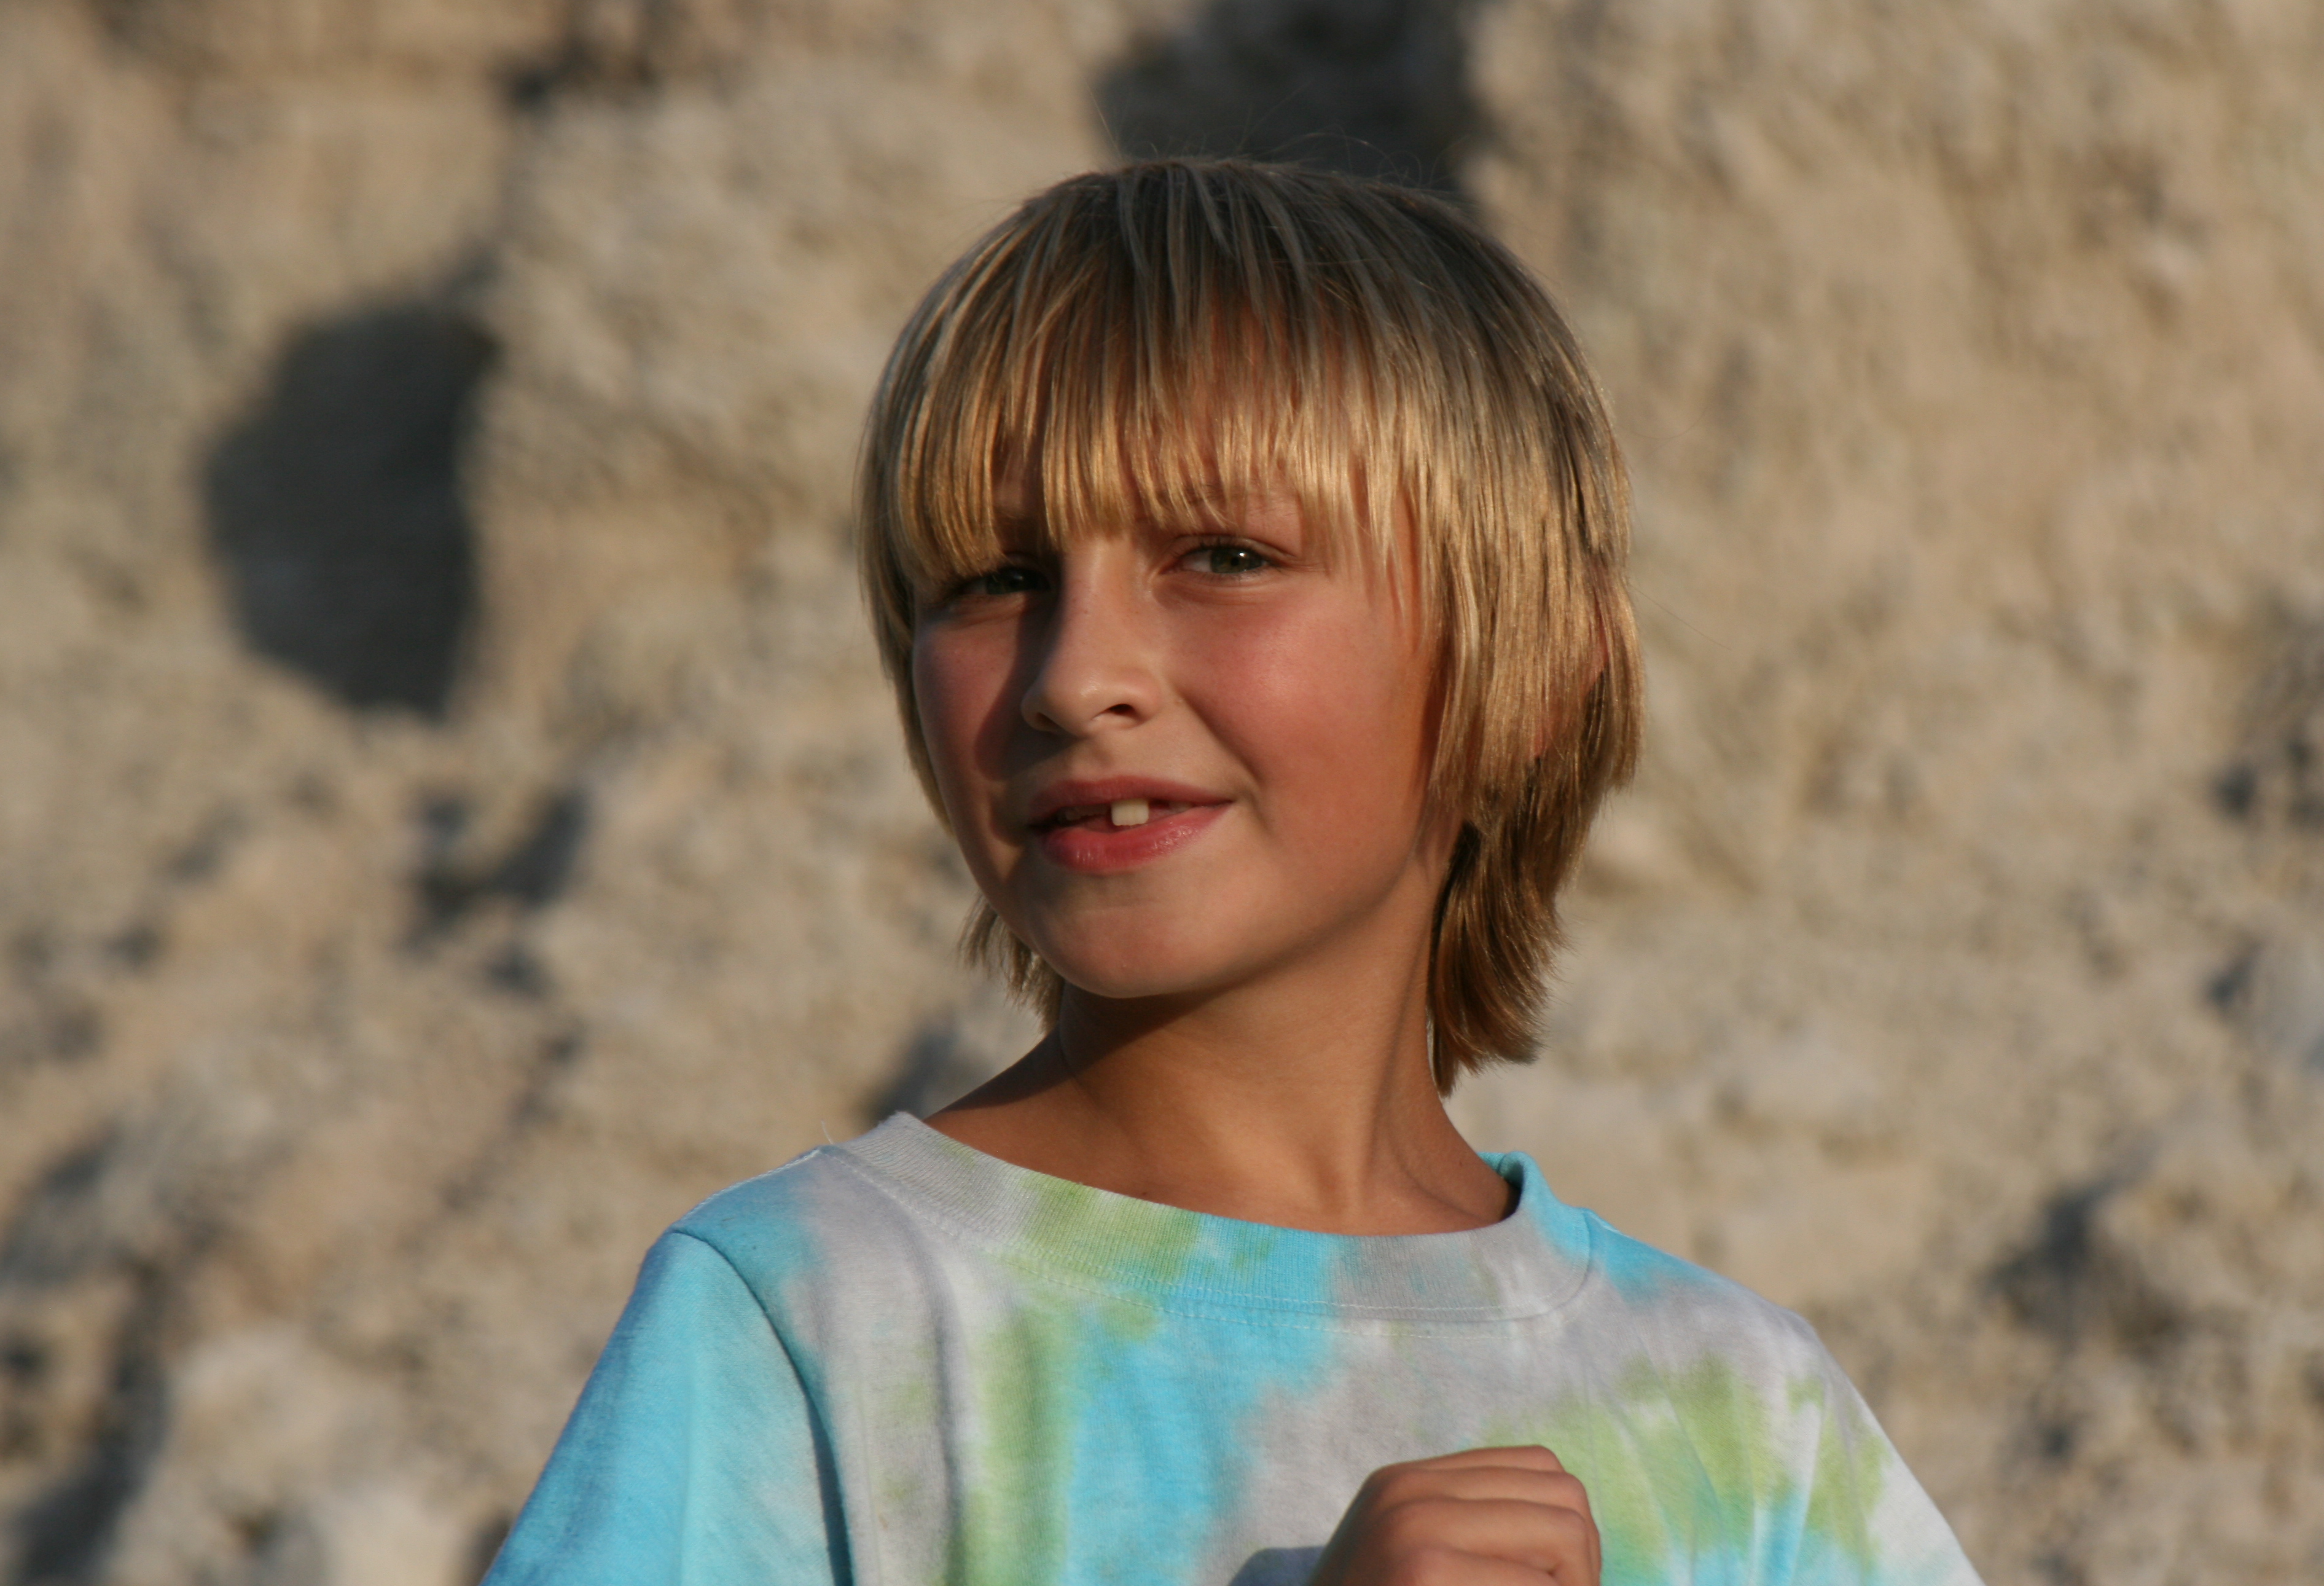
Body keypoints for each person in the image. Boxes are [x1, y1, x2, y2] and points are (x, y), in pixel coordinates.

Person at [482, 159, 1983, 1586]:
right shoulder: (811, 1315)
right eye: (998, 580)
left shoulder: (1747, 1419)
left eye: (1224, 557)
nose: (1077, 678)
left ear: (1532, 673)